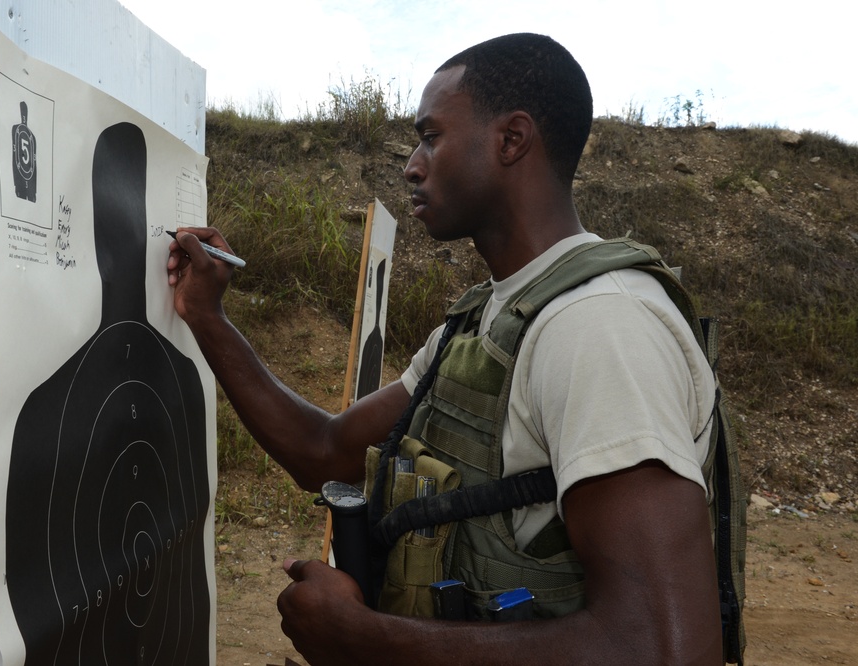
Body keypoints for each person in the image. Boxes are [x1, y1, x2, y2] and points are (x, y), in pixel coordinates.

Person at [167, 33, 722, 665]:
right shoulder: (488, 317)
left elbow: (664, 647)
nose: (411, 164)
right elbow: (322, 452)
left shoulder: (598, 326)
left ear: (511, 140)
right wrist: (205, 315)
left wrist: (362, 638)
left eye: (431, 136)